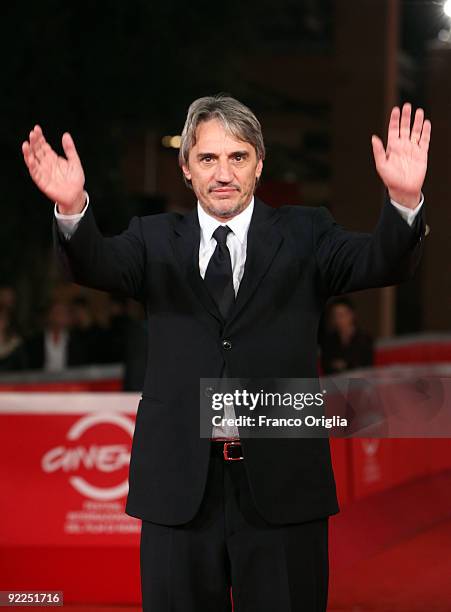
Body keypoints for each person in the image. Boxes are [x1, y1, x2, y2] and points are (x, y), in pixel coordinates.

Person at [22, 95, 430, 612]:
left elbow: (381, 262)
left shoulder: (306, 233)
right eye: (208, 158)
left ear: (259, 165)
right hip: (179, 489)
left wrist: (404, 201)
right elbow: (95, 263)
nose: (223, 173)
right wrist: (73, 210)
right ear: (186, 168)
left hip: (283, 485)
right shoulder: (152, 239)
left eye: (237, 157)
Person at [320, 297, 374, 375]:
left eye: (341, 315)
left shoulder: (364, 338)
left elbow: (366, 366)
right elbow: (326, 366)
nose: (338, 320)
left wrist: (344, 365)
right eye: (335, 316)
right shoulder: (329, 339)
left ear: (351, 315)